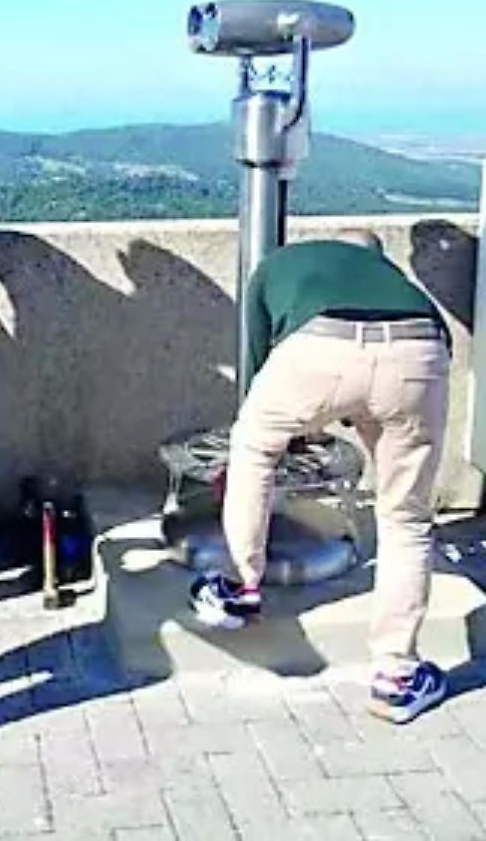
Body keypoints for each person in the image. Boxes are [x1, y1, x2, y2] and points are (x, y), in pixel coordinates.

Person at [190, 230, 452, 724]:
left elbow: (258, 359)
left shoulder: (281, 264)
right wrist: (371, 414)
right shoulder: (396, 283)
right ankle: (396, 677)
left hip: (317, 347)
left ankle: (239, 587)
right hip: (418, 354)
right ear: (377, 258)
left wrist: (289, 426)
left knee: (252, 447)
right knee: (407, 519)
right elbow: (435, 362)